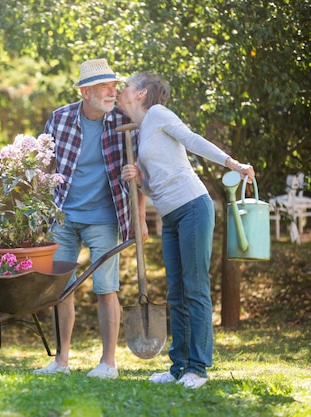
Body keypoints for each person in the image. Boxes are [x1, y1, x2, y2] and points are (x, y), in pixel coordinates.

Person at [118, 72, 255, 389]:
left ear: (141, 94)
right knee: (175, 292)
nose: (121, 91)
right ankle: (178, 367)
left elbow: (192, 140)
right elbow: (154, 190)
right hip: (171, 217)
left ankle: (198, 368)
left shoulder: (158, 114)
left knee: (195, 289)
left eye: (126, 86)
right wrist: (137, 177)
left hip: (194, 207)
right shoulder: (142, 134)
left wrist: (233, 164)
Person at [32, 58, 146, 379]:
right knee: (60, 289)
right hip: (64, 217)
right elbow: (45, 163)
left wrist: (141, 216)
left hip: (106, 218)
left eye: (113, 86)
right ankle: (61, 361)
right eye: (105, 87)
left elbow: (140, 171)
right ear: (85, 92)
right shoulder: (60, 118)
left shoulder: (124, 121)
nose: (113, 92)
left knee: (105, 288)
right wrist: (39, 184)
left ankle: (108, 363)